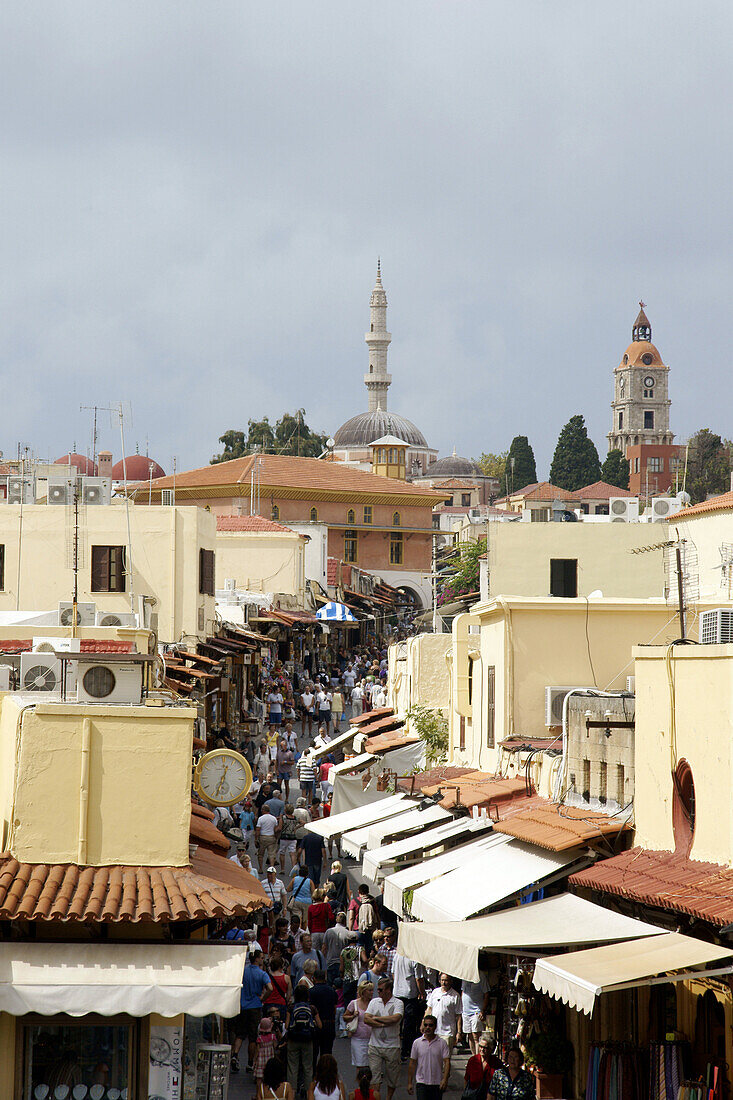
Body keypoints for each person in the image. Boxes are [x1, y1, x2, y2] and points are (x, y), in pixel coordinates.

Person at [231, 949, 273, 1073]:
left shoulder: (243, 971)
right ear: (257, 959)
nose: (262, 959)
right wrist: (262, 998)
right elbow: (270, 988)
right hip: (255, 1006)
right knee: (253, 1037)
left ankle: (235, 1054)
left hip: (243, 1006)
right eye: (261, 957)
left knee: (240, 1033)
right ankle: (250, 1063)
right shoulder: (262, 974)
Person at [364, 976, 404, 1100]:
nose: (378, 992)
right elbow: (366, 1019)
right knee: (374, 1076)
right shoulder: (374, 1002)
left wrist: (375, 1018)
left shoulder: (398, 1003)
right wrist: (382, 1023)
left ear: (388, 990)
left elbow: (395, 1018)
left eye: (380, 990)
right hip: (375, 1045)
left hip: (392, 1046)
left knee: (392, 1077)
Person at [287, 986, 321, 1099]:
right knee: (308, 1067)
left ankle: (291, 1093)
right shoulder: (312, 1008)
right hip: (307, 1040)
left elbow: (287, 1026)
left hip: (293, 1039)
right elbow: (320, 1025)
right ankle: (308, 1093)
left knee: (292, 1066)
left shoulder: (291, 1008)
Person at [393, 952, 426, 1062]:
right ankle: (405, 1051)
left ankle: (396, 1049)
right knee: (409, 1024)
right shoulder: (415, 958)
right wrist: (422, 993)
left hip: (397, 993)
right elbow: (419, 979)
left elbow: (393, 973)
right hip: (410, 994)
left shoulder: (397, 955)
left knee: (398, 1023)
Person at [407, 1015, 450, 1100]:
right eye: (425, 1025)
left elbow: (447, 1062)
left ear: (435, 1027)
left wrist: (445, 1079)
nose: (428, 1027)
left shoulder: (442, 1043)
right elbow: (412, 1063)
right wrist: (409, 1083)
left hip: (437, 1083)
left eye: (430, 1025)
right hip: (421, 1083)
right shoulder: (417, 1043)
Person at [344, 979, 374, 1072]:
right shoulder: (354, 1003)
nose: (372, 992)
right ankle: (361, 1085)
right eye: (370, 990)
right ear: (363, 991)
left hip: (372, 1039)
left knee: (372, 1066)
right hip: (358, 1039)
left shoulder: (374, 1003)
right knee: (360, 1066)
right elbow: (345, 1017)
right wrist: (353, 1016)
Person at [426, 973, 462, 1051]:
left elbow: (458, 1015)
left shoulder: (455, 995)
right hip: (434, 1031)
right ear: (439, 981)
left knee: (446, 1059)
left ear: (450, 981)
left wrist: (459, 1032)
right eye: (442, 980)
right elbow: (429, 1009)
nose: (444, 982)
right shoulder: (435, 992)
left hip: (448, 1033)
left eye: (446, 980)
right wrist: (424, 1024)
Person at [309, 968, 338, 1059]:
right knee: (327, 1053)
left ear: (314, 978)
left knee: (313, 1053)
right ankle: (326, 1071)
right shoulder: (332, 991)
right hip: (329, 1023)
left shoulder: (311, 992)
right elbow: (334, 1008)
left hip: (315, 1025)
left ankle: (313, 1072)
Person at [461, 974, 490, 1056]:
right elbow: (463, 991)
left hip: (476, 1011)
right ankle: (473, 1057)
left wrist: (483, 1010)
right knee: (470, 1036)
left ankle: (478, 1058)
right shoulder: (464, 974)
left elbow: (486, 994)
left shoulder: (481, 976)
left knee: (476, 1036)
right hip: (465, 1011)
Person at [323, 913, 353, 985]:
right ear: (345, 921)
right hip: (343, 965)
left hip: (330, 963)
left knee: (330, 986)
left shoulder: (328, 931)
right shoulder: (347, 933)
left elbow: (324, 948)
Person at [263, 955, 292, 1023]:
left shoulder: (267, 977)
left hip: (268, 1003)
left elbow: (264, 991)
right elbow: (289, 995)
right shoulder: (286, 978)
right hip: (281, 1003)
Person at [254, 1017, 280, 1090]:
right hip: (270, 1058)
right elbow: (275, 1046)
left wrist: (255, 1059)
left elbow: (257, 1050)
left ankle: (258, 1093)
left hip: (261, 1059)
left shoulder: (259, 1038)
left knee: (259, 1078)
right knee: (270, 1076)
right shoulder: (272, 1037)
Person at [279, 803, 300, 873]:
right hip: (292, 837)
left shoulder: (283, 818)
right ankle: (293, 868)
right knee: (292, 853)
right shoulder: (295, 818)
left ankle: (282, 869)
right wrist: (296, 828)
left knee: (282, 852)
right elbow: (303, 822)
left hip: (284, 837)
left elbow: (280, 827)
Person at [257, 807, 280, 871]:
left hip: (263, 837)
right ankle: (272, 868)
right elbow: (275, 829)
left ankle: (260, 868)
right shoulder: (273, 818)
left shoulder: (261, 818)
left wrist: (256, 838)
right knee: (271, 854)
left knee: (261, 854)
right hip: (271, 837)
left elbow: (258, 829)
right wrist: (276, 837)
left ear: (264, 810)